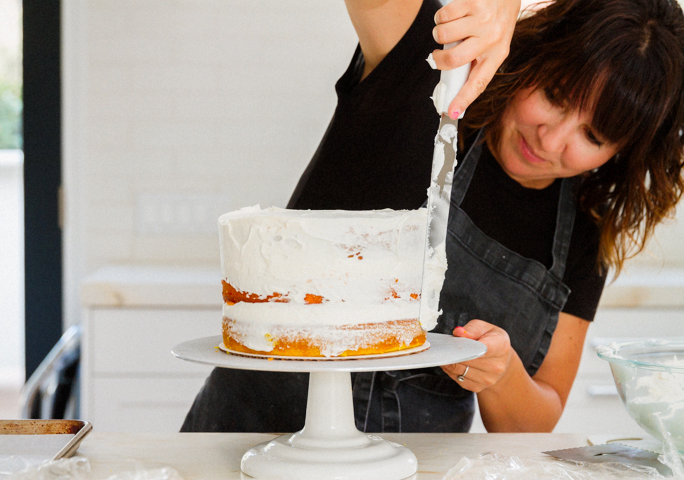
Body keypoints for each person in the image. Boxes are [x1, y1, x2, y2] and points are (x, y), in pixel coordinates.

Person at [181, 0, 684, 433]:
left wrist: (502, 372)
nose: (551, 141)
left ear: (622, 153)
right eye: (554, 96)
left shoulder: (580, 234)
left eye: (592, 137)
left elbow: (535, 422)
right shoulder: (425, 77)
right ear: (533, 56)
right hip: (245, 446)